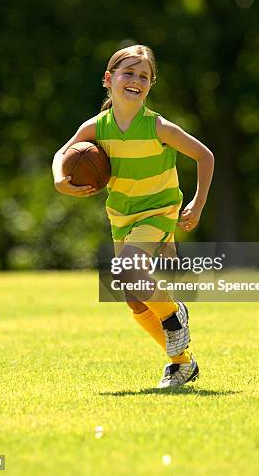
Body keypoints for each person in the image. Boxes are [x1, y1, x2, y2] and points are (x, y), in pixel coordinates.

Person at [52, 44, 214, 388]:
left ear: (150, 85)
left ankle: (173, 313)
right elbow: (61, 154)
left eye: (144, 76)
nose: (135, 80)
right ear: (109, 80)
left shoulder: (158, 127)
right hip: (121, 216)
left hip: (158, 211)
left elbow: (205, 156)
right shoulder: (97, 127)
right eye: (128, 73)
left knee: (127, 269)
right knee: (132, 295)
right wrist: (60, 180)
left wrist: (197, 205)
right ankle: (182, 364)